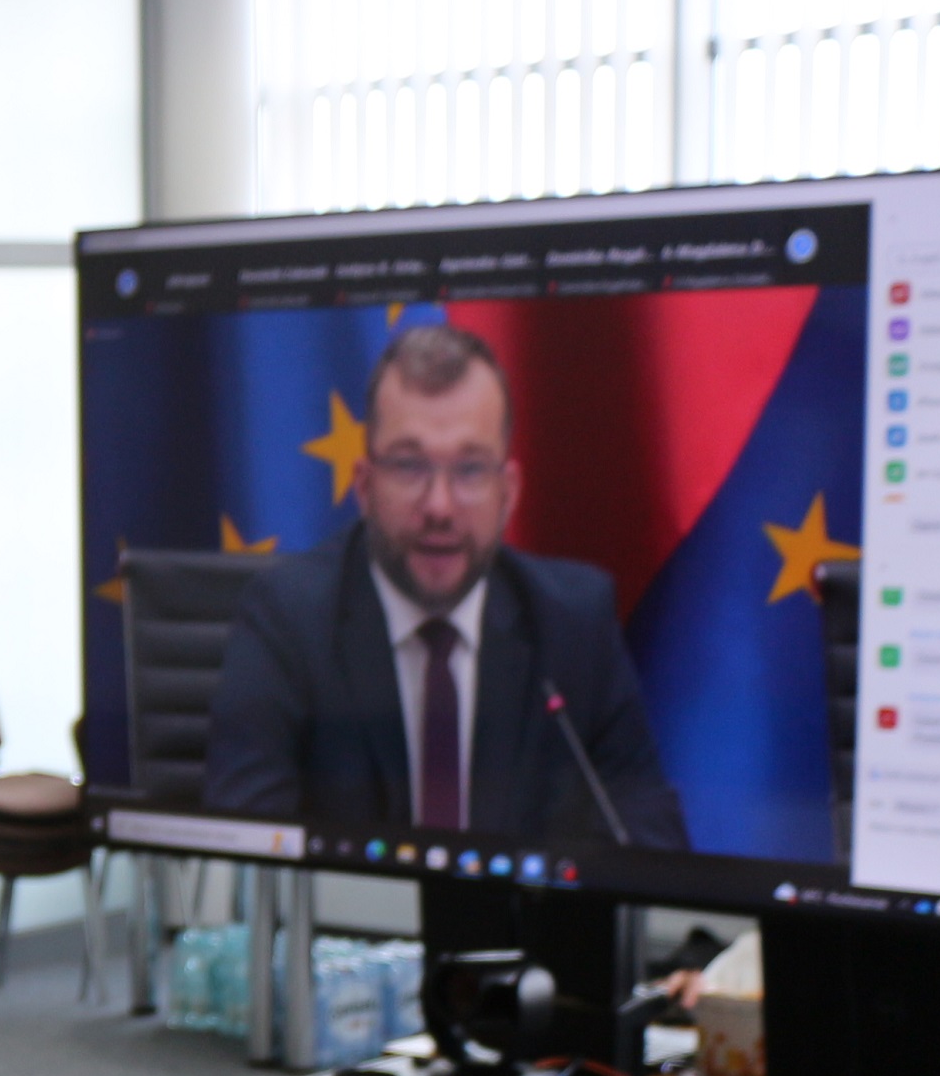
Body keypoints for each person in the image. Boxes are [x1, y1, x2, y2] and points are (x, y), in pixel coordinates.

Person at [206, 322, 691, 854]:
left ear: (508, 492)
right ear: (364, 487)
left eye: (469, 469)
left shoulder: (573, 623)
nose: (439, 506)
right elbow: (243, 849)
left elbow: (650, 845)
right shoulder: (286, 619)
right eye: (410, 466)